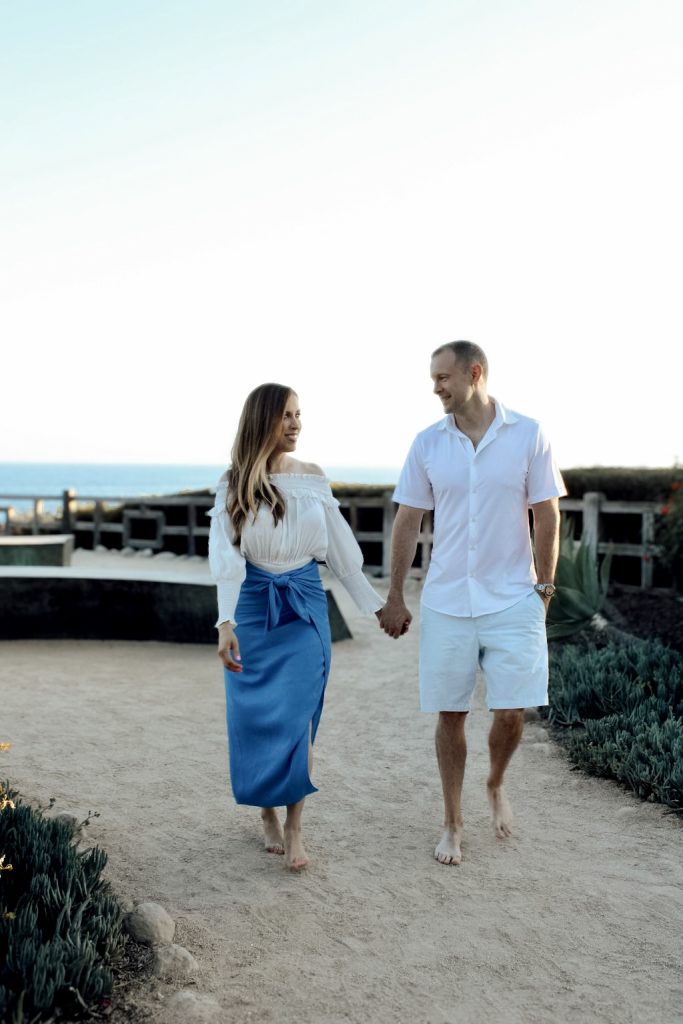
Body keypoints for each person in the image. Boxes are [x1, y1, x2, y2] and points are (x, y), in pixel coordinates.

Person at [378, 341, 566, 865]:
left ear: (474, 373)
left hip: (514, 598)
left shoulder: (529, 434)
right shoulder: (427, 444)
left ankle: (496, 782)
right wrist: (395, 594)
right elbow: (408, 521)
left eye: (442, 377)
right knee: (451, 715)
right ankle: (453, 823)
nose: (435, 387)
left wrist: (544, 591)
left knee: (511, 713)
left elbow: (547, 515)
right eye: (433, 378)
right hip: (447, 601)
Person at [208, 383, 383, 871]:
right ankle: (266, 813)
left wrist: (376, 607)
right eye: (286, 415)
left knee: (300, 720)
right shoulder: (233, 483)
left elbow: (344, 555)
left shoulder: (313, 479)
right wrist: (225, 623)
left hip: (305, 608)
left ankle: (296, 826)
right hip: (252, 608)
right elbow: (225, 558)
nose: (296, 423)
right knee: (256, 718)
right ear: (262, 420)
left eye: (299, 414)